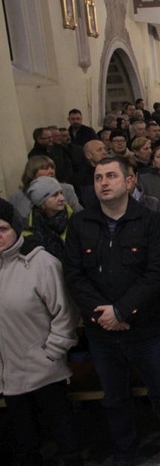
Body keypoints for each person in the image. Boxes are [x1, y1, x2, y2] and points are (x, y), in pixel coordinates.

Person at [63, 156, 160, 466]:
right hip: (102, 332)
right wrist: (103, 315)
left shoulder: (150, 221)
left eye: (111, 176)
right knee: (115, 399)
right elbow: (74, 275)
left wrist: (122, 311)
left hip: (146, 328)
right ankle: (125, 452)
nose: (104, 183)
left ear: (129, 181)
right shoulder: (81, 224)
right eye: (98, 178)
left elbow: (156, 271)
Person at [0, 198, 82, 466]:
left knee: (62, 433)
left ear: (16, 228)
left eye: (2, 229)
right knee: (23, 440)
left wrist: (52, 353)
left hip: (44, 366)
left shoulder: (41, 263)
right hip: (9, 371)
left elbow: (65, 312)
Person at [9, 156, 82, 224]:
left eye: (52, 167)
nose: (51, 171)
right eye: (45, 168)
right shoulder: (16, 197)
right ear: (32, 172)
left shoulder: (67, 189)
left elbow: (79, 214)